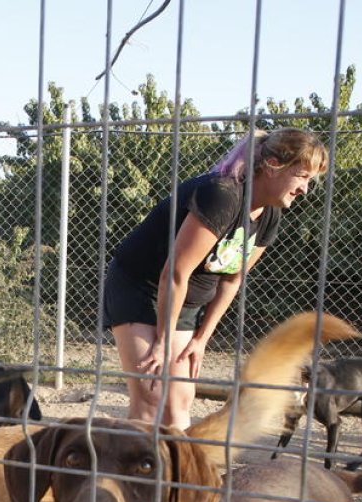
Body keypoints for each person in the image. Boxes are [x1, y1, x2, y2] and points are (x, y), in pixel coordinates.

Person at [102, 127, 328, 429]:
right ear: (273, 165)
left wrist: (201, 339)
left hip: (187, 300)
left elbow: (232, 280)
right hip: (143, 288)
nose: (305, 190)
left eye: (310, 181)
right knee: (150, 395)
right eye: (302, 176)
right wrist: (164, 341)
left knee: (180, 399)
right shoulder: (222, 195)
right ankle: (135, 474)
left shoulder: (270, 215)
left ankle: (176, 475)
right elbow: (176, 271)